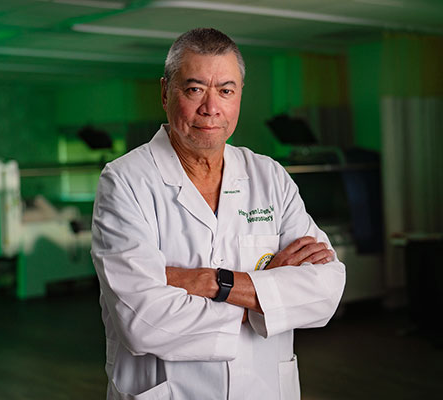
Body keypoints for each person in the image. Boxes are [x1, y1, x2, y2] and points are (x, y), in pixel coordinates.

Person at [91, 28, 346, 400]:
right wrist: (266, 300)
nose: (211, 108)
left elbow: (325, 291)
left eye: (225, 90)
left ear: (239, 95)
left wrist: (214, 282)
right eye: (195, 89)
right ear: (165, 92)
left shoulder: (269, 175)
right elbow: (142, 322)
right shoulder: (125, 181)